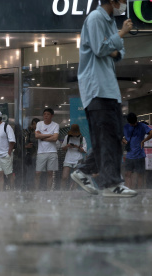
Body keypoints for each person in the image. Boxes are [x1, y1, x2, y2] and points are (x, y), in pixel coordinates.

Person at [72, 0, 137, 197]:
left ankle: (83, 170)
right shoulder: (95, 19)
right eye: (123, 0)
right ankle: (111, 184)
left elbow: (119, 52)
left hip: (108, 88)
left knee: (111, 137)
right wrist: (121, 34)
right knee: (107, 138)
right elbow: (101, 49)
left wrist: (114, 43)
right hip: (96, 87)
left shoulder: (109, 22)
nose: (125, 3)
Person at [122, 113, 152, 189]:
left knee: (140, 174)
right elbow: (119, 136)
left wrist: (143, 141)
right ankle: (129, 189)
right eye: (132, 123)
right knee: (127, 174)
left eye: (134, 123)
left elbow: (151, 133)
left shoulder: (142, 126)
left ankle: (140, 191)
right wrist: (124, 141)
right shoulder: (125, 127)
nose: (133, 124)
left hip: (140, 155)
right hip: (129, 156)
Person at [34, 108, 59, 191]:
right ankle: (36, 190)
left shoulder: (55, 125)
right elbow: (37, 136)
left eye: (48, 114)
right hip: (41, 152)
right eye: (44, 114)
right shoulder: (39, 124)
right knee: (38, 172)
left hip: (52, 151)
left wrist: (43, 137)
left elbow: (55, 138)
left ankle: (49, 191)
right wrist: (49, 135)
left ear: (52, 116)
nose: (46, 116)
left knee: (50, 172)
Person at [60, 124, 87, 190]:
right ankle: (61, 191)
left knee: (76, 178)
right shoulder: (67, 137)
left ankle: (74, 191)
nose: (74, 135)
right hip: (68, 158)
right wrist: (68, 146)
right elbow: (63, 148)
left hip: (78, 158)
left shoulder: (82, 138)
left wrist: (76, 146)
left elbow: (84, 151)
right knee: (64, 177)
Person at [24, 118, 40, 189]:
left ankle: (38, 187)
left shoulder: (41, 133)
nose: (35, 125)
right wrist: (27, 146)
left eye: (36, 124)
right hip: (31, 155)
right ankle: (29, 186)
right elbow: (26, 143)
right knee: (30, 171)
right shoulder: (29, 133)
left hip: (39, 155)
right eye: (33, 124)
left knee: (38, 172)